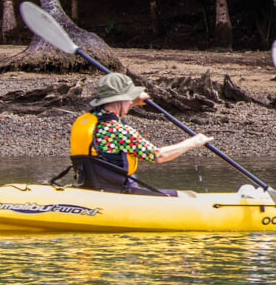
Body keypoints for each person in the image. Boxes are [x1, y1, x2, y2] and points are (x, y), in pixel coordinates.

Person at [69, 72, 212, 194]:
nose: (131, 101)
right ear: (120, 99)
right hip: (118, 192)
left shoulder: (92, 119)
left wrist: (133, 100)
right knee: (180, 195)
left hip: (93, 187)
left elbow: (117, 106)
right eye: (129, 97)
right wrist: (193, 142)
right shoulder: (119, 131)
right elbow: (159, 156)